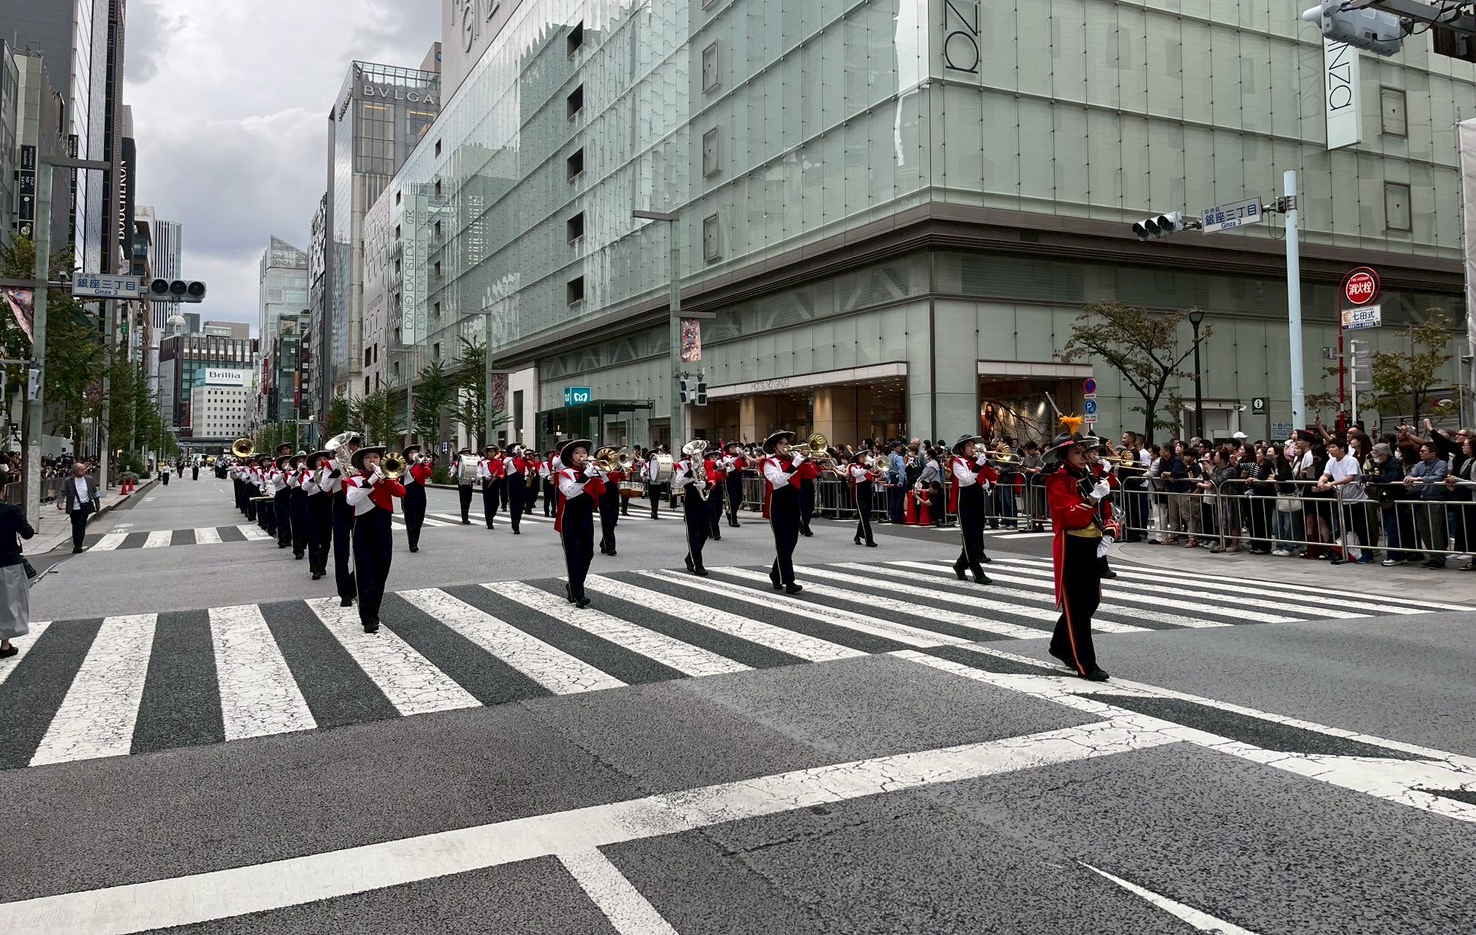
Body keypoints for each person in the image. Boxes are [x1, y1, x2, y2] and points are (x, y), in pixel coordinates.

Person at [1045, 432, 1112, 681]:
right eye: (1077, 452)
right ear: (1064, 456)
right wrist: (1093, 497)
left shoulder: (1089, 476)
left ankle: (1059, 644)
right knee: (1077, 608)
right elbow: (1069, 515)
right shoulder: (1057, 480)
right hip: (1072, 545)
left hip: (1093, 545)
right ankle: (1086, 664)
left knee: (1091, 601)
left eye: (1084, 452)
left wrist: (1110, 527)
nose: (1083, 457)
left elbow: (1105, 506)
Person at [344, 445, 405, 633]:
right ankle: (367, 618)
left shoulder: (388, 477)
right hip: (363, 528)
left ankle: (374, 611)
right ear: (362, 462)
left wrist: (385, 479)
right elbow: (351, 500)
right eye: (368, 458)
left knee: (381, 572)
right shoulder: (353, 480)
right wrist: (371, 480)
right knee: (365, 573)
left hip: (383, 527)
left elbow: (401, 492)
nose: (372, 461)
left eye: (376, 457)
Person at [554, 439, 604, 608]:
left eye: (584, 452)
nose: (581, 455)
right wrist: (585, 476)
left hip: (585, 515)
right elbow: (569, 492)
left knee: (587, 552)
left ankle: (573, 585)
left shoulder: (590, 471)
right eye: (577, 453)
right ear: (570, 457)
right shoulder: (565, 473)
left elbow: (602, 490)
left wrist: (601, 474)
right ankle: (578, 593)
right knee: (573, 554)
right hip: (569, 515)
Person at [948, 434, 998, 585]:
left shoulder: (978, 461)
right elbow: (967, 479)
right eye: (969, 445)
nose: (973, 448)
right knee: (969, 537)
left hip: (977, 497)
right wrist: (978, 465)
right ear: (962, 449)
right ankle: (977, 573)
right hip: (965, 499)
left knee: (976, 537)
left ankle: (960, 565)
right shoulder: (958, 462)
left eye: (973, 445)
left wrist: (988, 484)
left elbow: (991, 477)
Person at [760, 431, 805, 593]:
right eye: (782, 444)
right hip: (778, 503)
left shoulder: (793, 459)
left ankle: (775, 572)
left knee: (791, 541)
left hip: (793, 500)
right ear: (774, 447)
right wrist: (794, 465)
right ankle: (789, 581)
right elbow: (777, 480)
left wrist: (806, 462)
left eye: (787, 443)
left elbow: (812, 474)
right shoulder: (768, 462)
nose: (786, 446)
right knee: (782, 542)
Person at [0, 459, 34, 660]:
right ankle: (5, 644)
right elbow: (28, 533)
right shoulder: (12, 511)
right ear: (4, 489)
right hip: (8, 563)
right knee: (10, 602)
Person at [327, 434, 362, 607]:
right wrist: (334, 473)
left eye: (353, 445)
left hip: (358, 504)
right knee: (342, 552)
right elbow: (324, 487)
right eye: (347, 445)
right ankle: (344, 593)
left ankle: (354, 586)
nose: (350, 448)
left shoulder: (361, 462)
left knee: (361, 549)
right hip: (340, 505)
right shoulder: (331, 464)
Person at [1405, 441, 1450, 568]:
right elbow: (1412, 475)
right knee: (1424, 530)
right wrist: (1409, 479)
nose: (1420, 453)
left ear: (1433, 453)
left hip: (1434, 499)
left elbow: (1438, 477)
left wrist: (1420, 479)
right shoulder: (1420, 464)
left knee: (1434, 529)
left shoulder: (1441, 464)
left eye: (1423, 451)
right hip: (1420, 499)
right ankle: (1432, 555)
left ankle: (1439, 557)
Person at [673, 442, 712, 575]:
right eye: (694, 453)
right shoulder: (683, 464)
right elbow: (678, 482)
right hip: (691, 500)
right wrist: (691, 473)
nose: (697, 455)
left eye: (699, 452)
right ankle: (698, 564)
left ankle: (690, 558)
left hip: (705, 499)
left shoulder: (706, 463)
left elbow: (713, 479)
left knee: (705, 532)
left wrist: (705, 484)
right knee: (693, 533)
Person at [60, 461, 100, 554]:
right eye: (82, 469)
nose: (84, 470)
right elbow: (62, 492)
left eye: (84, 469)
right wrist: (60, 502)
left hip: (84, 506)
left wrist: (97, 505)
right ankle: (76, 543)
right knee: (75, 526)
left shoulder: (89, 480)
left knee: (81, 526)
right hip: (73, 507)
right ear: (76, 471)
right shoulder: (69, 481)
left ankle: (78, 545)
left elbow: (95, 493)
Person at [848, 452, 882, 547]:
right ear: (857, 458)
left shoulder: (866, 466)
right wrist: (868, 467)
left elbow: (875, 475)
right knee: (864, 517)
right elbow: (857, 475)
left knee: (866, 515)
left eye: (864, 456)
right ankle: (869, 539)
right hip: (860, 492)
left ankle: (858, 535)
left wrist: (879, 468)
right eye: (861, 457)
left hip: (868, 491)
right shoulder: (853, 467)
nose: (863, 458)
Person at [402, 445, 431, 553]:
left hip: (420, 493)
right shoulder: (404, 466)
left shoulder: (422, 464)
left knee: (419, 519)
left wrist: (422, 464)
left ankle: (415, 541)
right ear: (407, 455)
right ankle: (412, 543)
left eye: (415, 452)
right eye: (411, 453)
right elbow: (399, 475)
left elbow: (428, 474)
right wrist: (409, 466)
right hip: (408, 494)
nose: (413, 454)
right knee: (410, 520)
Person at [287, 453, 310, 561]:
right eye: (299, 461)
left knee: (306, 524)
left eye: (303, 460)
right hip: (296, 499)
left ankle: (303, 543)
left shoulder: (310, 473)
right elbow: (290, 483)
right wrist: (298, 472)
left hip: (307, 498)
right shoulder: (292, 472)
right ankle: (298, 550)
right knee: (296, 525)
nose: (302, 463)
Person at [503, 444, 529, 534]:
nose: (518, 451)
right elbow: (504, 463)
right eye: (516, 449)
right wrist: (513, 455)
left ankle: (517, 520)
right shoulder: (508, 459)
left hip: (521, 481)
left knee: (521, 504)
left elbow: (528, 467)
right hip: (512, 482)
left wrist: (523, 455)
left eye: (519, 449)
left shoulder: (523, 459)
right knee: (513, 504)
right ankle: (515, 525)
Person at [722, 442, 747, 527]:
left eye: (734, 447)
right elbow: (729, 462)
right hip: (729, 478)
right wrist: (737, 455)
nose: (733, 449)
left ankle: (730, 513)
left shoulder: (737, 457)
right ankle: (733, 519)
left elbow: (745, 465)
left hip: (738, 477)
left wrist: (743, 457)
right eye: (731, 447)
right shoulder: (726, 457)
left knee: (739, 498)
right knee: (732, 499)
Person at [479, 445, 503, 529]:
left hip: (495, 483)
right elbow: (478, 474)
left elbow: (502, 473)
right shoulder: (483, 462)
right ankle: (489, 521)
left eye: (493, 451)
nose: (492, 453)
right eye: (490, 452)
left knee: (496, 503)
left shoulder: (498, 462)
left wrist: (499, 477)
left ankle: (491, 516)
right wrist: (485, 477)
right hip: (487, 484)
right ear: (487, 453)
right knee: (488, 503)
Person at [452, 448, 476, 524]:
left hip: (469, 483)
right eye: (464, 453)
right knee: (463, 501)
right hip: (462, 483)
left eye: (467, 453)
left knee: (469, 500)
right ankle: (464, 518)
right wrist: (451, 474)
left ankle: (466, 515)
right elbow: (453, 470)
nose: (466, 454)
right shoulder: (458, 462)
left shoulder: (472, 461)